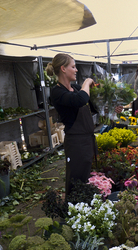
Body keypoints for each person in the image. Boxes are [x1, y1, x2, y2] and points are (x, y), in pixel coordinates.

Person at [46, 53, 96, 197]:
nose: (76, 70)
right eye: (73, 67)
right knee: (76, 177)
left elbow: (92, 106)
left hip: (87, 140)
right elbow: (80, 100)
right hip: (76, 143)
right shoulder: (57, 92)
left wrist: (110, 107)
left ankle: (86, 208)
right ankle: (72, 209)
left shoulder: (75, 87)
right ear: (63, 69)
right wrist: (86, 83)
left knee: (87, 176)